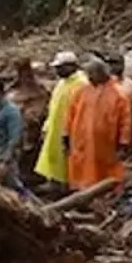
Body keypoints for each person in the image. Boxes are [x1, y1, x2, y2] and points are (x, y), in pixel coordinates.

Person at [63, 56, 132, 191]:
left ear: (101, 73)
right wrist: (66, 134)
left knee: (106, 171)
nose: (89, 77)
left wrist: (124, 142)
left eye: (91, 74)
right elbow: (70, 114)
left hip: (106, 144)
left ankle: (107, 194)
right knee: (81, 167)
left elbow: (126, 121)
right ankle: (81, 193)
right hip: (81, 140)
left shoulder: (119, 94)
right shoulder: (81, 91)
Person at [32, 52, 86, 185]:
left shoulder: (82, 84)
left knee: (69, 160)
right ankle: (54, 182)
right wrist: (47, 125)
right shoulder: (62, 83)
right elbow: (54, 106)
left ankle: (68, 186)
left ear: (71, 66)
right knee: (54, 158)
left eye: (60, 67)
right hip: (55, 128)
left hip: (71, 130)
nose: (57, 70)